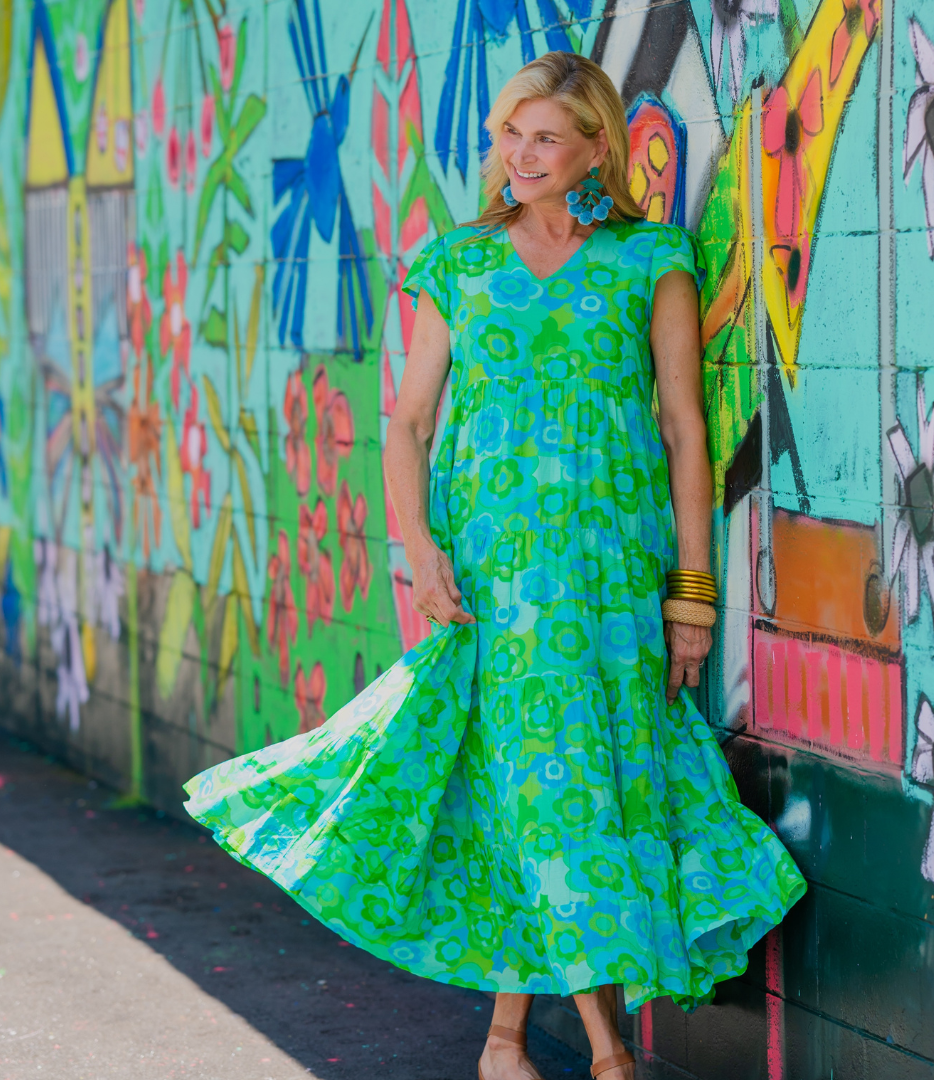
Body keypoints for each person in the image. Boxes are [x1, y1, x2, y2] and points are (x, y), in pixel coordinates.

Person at [184, 51, 805, 1080]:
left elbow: (690, 434)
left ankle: (508, 1040)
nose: (521, 155)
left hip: (612, 582)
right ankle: (608, 1053)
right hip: (497, 580)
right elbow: (409, 425)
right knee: (551, 786)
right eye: (509, 134)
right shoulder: (459, 265)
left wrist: (691, 592)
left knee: (555, 789)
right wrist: (418, 551)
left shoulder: (652, 261)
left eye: (546, 136)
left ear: (596, 147)